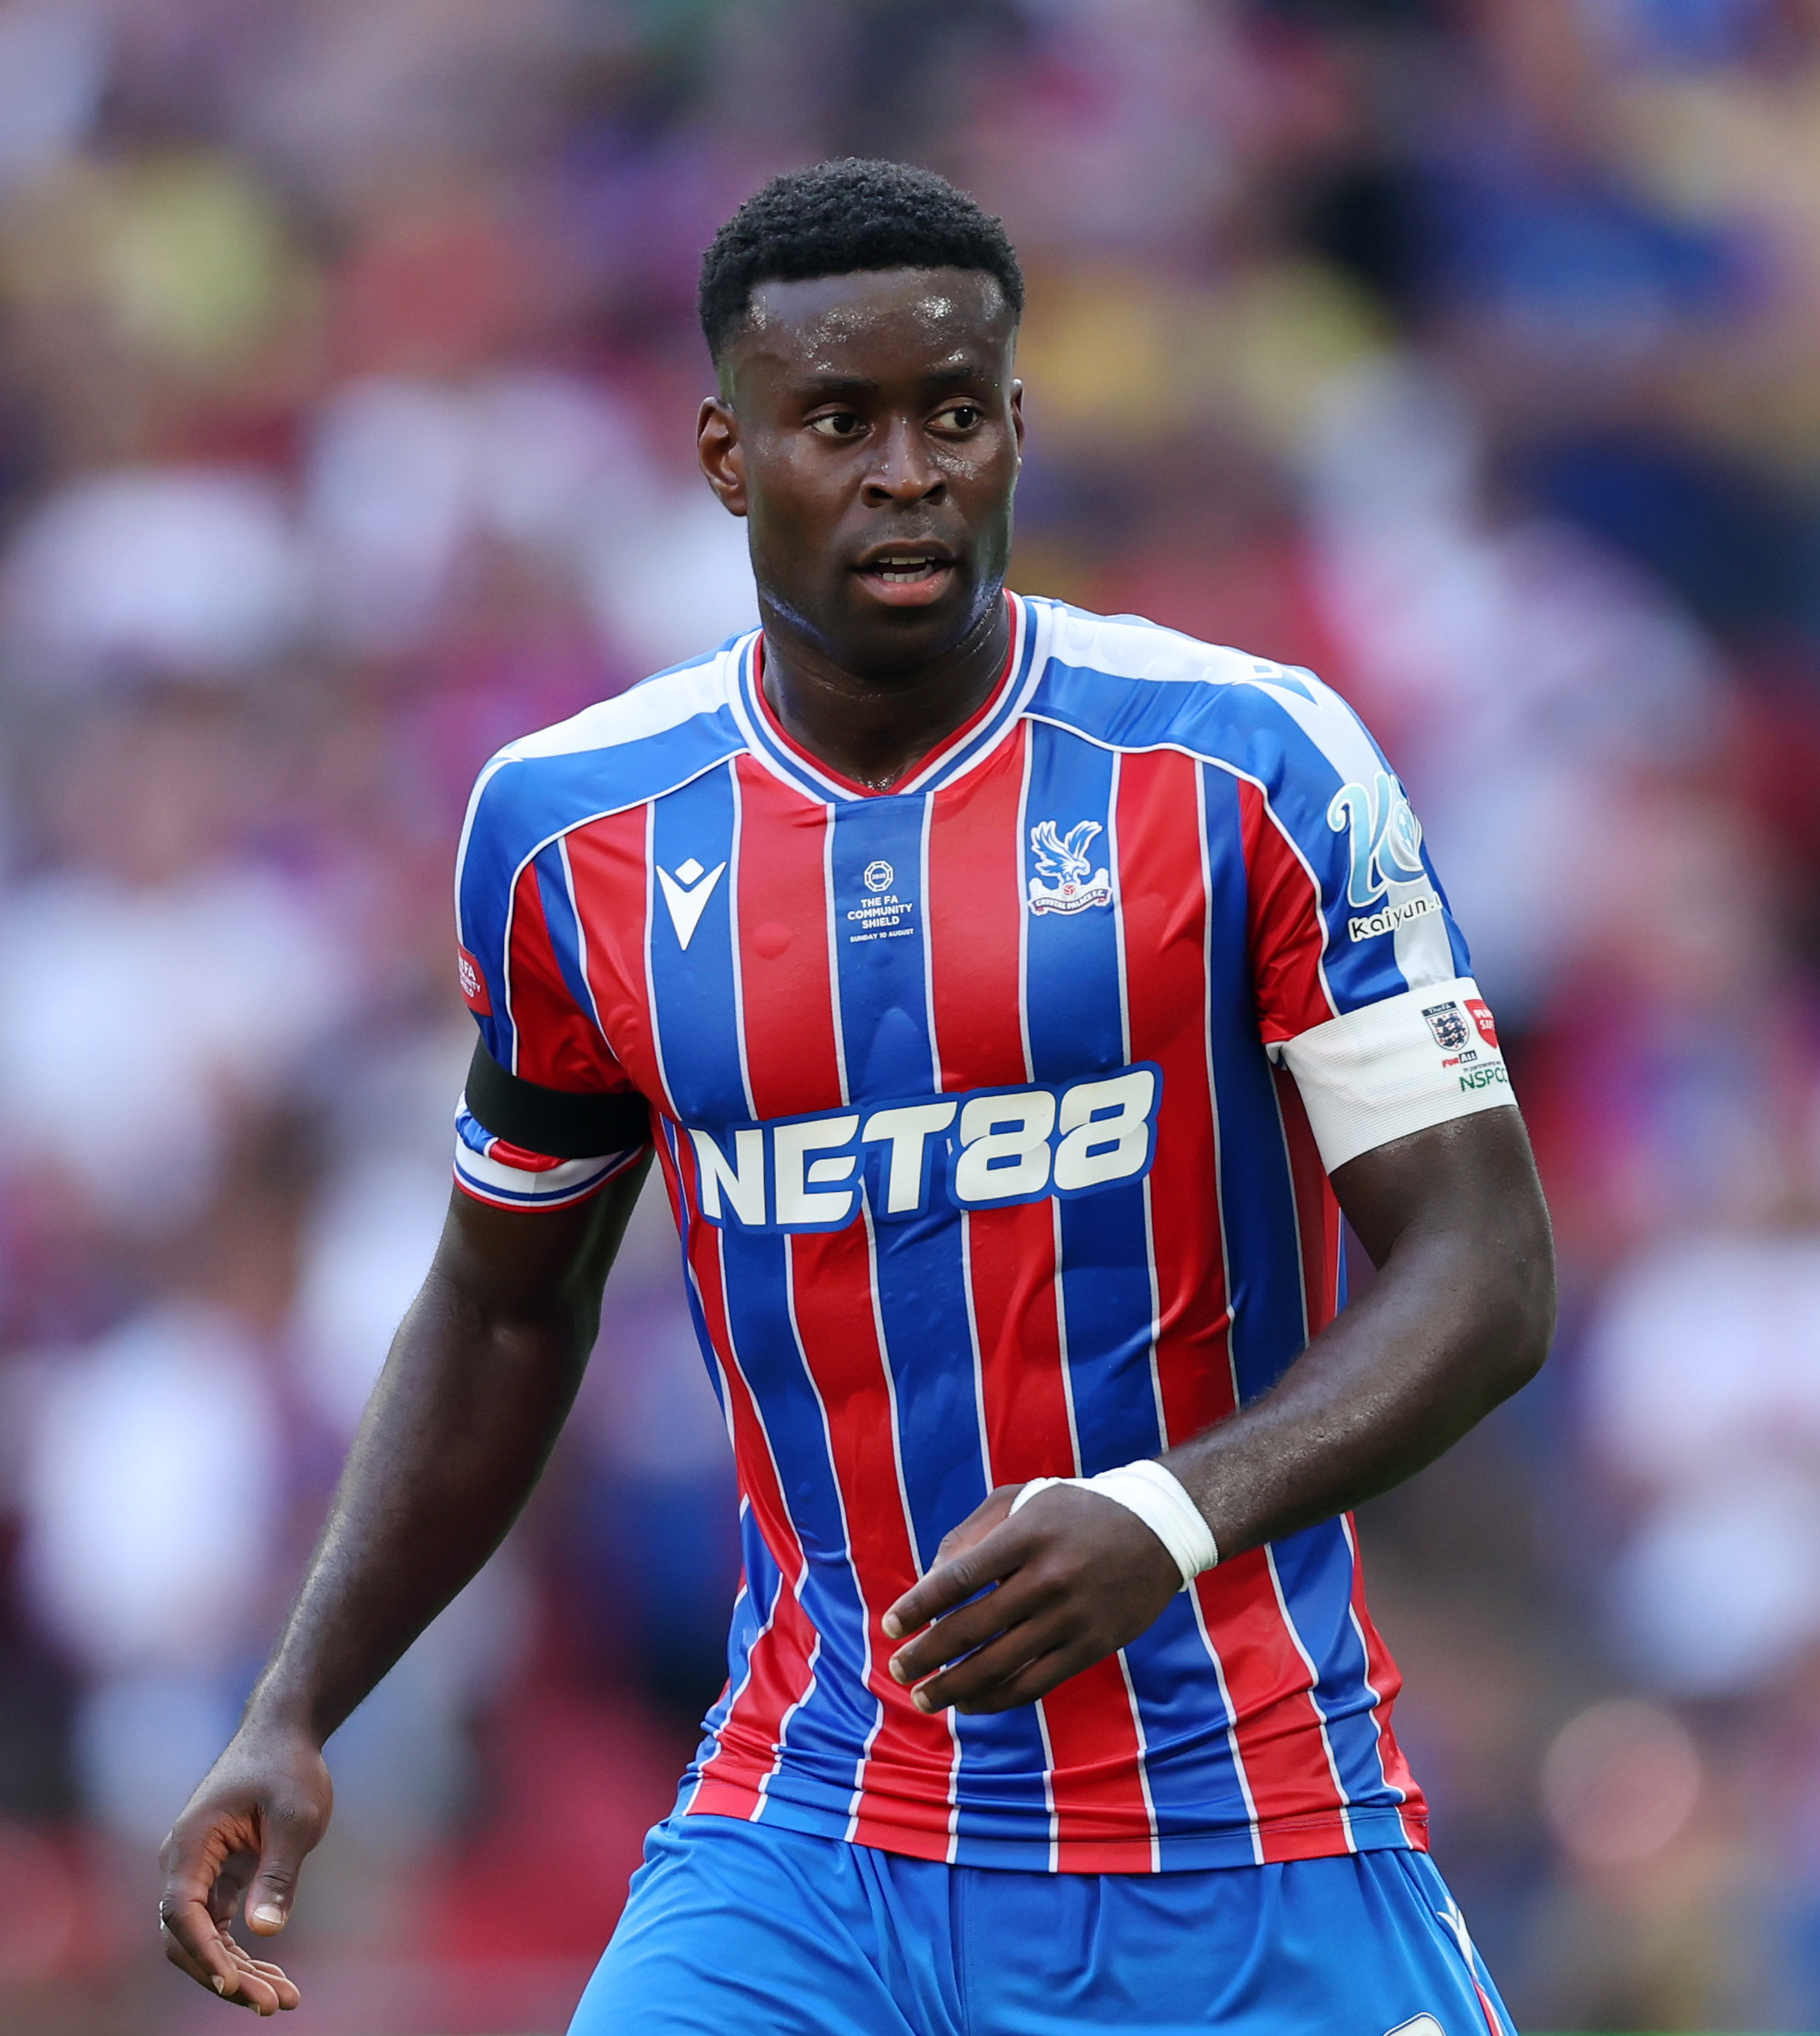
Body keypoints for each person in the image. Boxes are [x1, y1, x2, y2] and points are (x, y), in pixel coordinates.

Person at [156, 158, 1557, 2035]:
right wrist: (299, 1700)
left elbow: (1484, 1262)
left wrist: (1168, 1511)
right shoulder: (572, 832)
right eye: (840, 421)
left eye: (952, 415)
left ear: (1016, 434)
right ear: (729, 457)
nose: (906, 470)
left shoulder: (1247, 764)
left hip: (1239, 1832)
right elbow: (503, 1307)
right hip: (807, 1846)